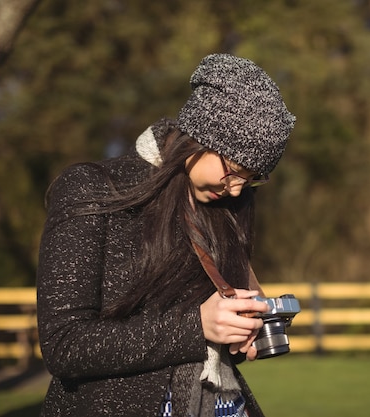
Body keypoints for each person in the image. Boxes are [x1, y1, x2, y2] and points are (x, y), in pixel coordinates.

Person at [36, 53, 296, 417]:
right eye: (235, 171)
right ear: (201, 136)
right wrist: (198, 326)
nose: (237, 190)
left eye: (253, 179)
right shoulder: (91, 188)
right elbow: (65, 345)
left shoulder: (228, 206)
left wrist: (239, 333)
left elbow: (208, 340)